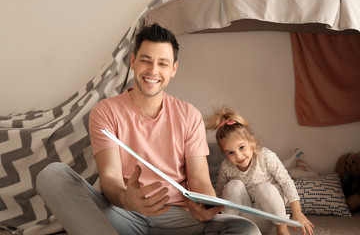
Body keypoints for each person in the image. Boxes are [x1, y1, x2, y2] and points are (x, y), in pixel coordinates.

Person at [36, 23, 261, 235]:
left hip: (178, 217)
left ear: (173, 69)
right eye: (146, 60)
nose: (153, 70)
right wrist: (126, 198)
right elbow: (110, 179)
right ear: (133, 61)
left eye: (163, 63)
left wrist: (207, 205)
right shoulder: (105, 111)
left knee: (245, 229)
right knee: (52, 175)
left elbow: (200, 181)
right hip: (123, 215)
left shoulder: (189, 115)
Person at [205, 105, 314, 235]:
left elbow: (286, 182)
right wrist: (210, 212)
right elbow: (219, 192)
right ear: (224, 153)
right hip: (244, 219)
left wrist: (297, 212)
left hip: (267, 217)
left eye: (241, 147)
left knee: (264, 187)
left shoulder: (266, 156)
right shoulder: (226, 166)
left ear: (251, 141)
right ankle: (229, 227)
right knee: (232, 186)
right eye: (230, 152)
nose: (238, 156)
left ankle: (282, 230)